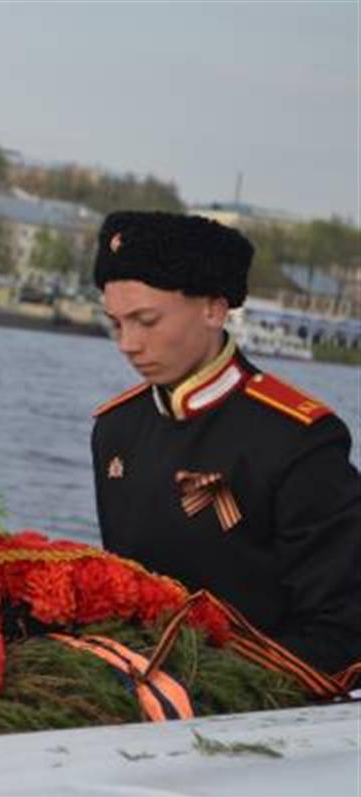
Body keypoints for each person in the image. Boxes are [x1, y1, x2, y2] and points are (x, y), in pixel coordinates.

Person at [91, 210, 361, 675]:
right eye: (116, 324)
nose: (127, 344)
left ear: (214, 309)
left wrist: (202, 685)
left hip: (255, 704)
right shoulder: (115, 428)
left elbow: (341, 630)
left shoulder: (298, 438)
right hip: (139, 687)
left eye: (146, 321)